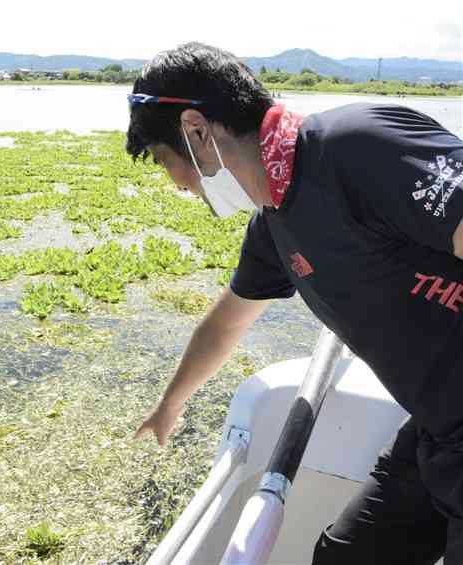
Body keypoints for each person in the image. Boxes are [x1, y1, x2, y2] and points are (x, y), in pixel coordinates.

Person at [126, 41, 463, 564]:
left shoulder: (357, 146)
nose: (177, 185)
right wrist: (170, 404)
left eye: (167, 162)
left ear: (197, 130)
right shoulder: (273, 224)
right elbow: (223, 327)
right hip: (438, 426)